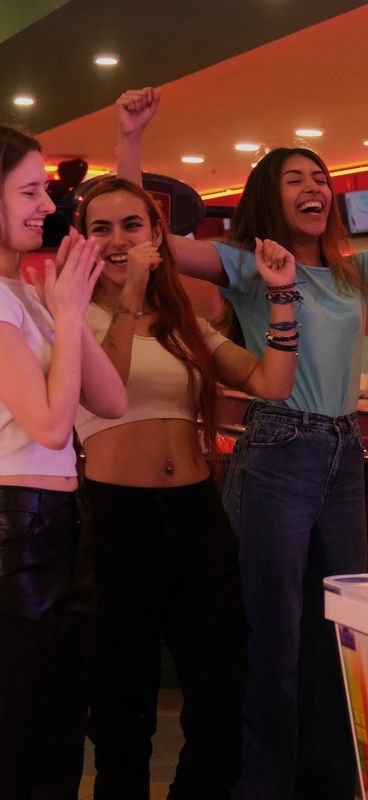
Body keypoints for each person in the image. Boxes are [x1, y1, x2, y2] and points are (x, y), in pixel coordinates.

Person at [113, 87, 368, 800]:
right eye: (295, 178)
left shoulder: (357, 272)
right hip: (279, 451)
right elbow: (148, 242)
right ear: (270, 197)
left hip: (342, 453)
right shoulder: (250, 265)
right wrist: (131, 142)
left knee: (337, 631)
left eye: (320, 176)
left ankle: (330, 780)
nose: (314, 187)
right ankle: (262, 786)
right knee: (271, 634)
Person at [74, 176, 299, 800]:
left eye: (132, 226)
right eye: (102, 228)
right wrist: (132, 296)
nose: (119, 240)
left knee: (222, 697)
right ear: (84, 240)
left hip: (198, 521)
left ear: (156, 236)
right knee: (122, 715)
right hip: (118, 523)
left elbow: (269, 382)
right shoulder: (69, 314)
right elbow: (105, 391)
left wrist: (283, 299)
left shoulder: (183, 322)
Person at [0, 126, 127, 799]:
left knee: (54, 731)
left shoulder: (25, 295)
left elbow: (110, 397)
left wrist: (69, 314)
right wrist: (67, 312)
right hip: (16, 531)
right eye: (27, 190)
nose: (47, 204)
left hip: (60, 525)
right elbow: (50, 425)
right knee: (18, 734)